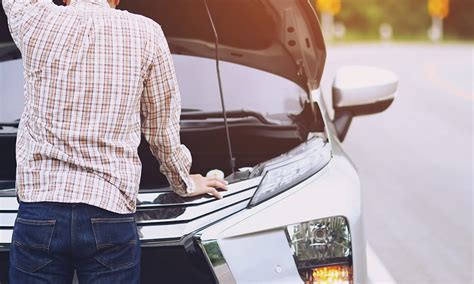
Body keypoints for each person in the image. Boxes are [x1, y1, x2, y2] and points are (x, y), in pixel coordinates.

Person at [2, 0, 228, 282]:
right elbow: (161, 127)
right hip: (109, 212)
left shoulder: (37, 19)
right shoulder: (146, 33)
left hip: (41, 211)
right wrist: (183, 181)